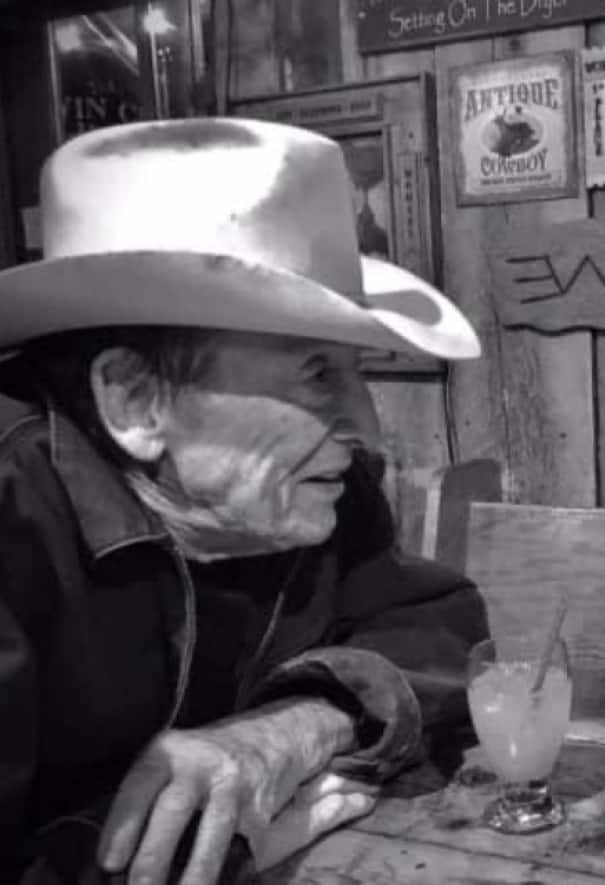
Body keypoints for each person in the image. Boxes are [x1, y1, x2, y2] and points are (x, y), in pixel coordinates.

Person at [0, 118, 487, 883]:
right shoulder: (12, 519)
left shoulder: (311, 488)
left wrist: (294, 725)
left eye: (359, 373)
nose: (365, 426)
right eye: (318, 375)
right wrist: (222, 842)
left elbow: (438, 628)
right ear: (134, 400)